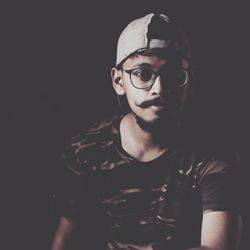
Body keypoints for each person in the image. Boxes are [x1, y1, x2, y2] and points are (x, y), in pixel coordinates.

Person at [51, 13, 242, 250]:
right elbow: (64, 241)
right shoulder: (86, 151)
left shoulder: (213, 153)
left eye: (173, 74)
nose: (159, 89)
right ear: (118, 81)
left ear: (189, 82)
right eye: (143, 73)